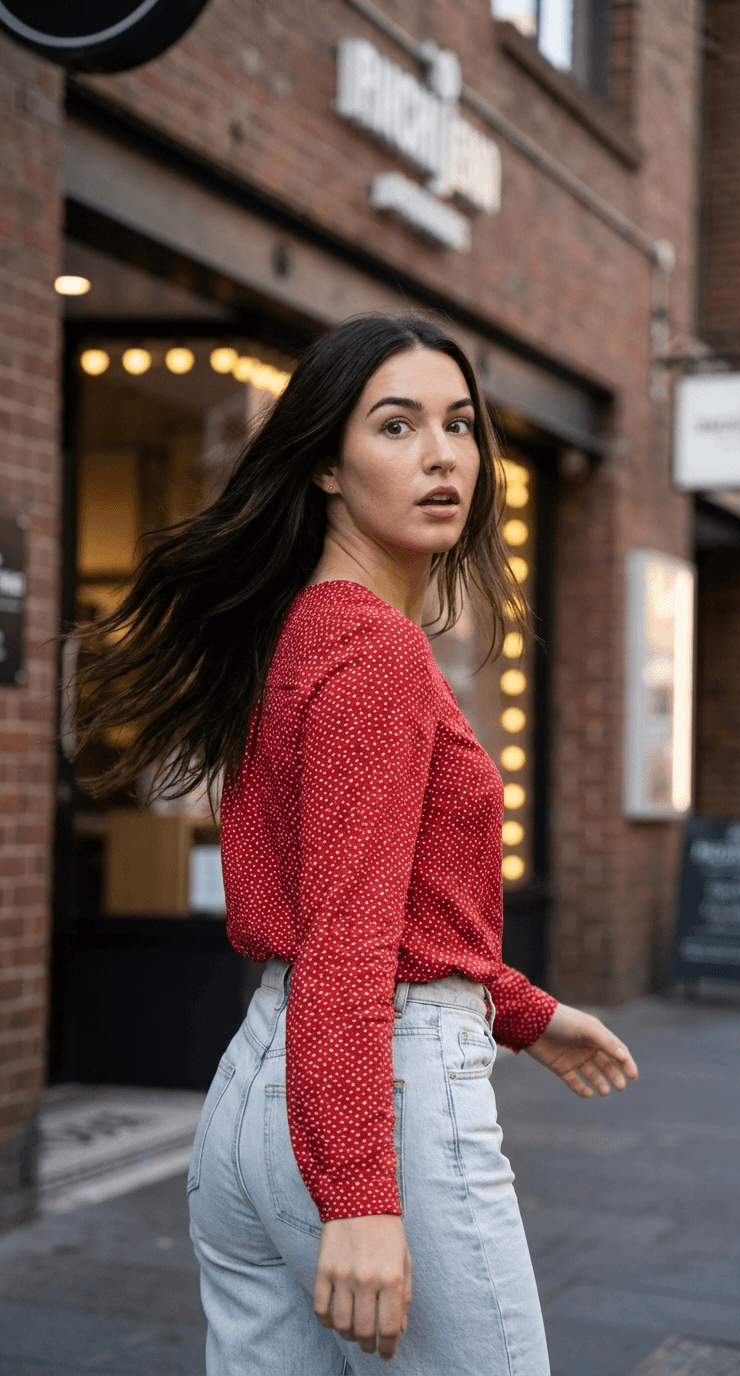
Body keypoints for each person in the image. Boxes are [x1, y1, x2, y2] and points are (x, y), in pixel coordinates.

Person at [76, 314, 638, 1374]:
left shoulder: (305, 627)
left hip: (257, 1090)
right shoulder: (373, 649)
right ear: (327, 463)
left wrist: (522, 1009)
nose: (443, 454)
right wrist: (361, 1195)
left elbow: (370, 900)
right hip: (379, 1097)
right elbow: (348, 932)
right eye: (396, 424)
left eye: (461, 424)